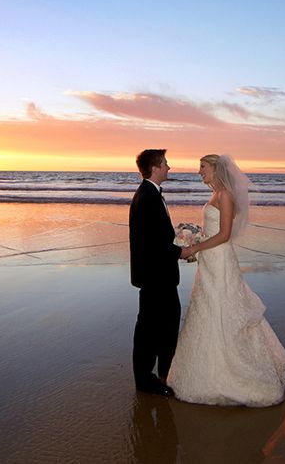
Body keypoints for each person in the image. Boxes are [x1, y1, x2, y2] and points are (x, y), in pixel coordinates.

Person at [166, 154, 285, 406]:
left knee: (221, 306)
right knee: (208, 307)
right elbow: (213, 230)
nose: (199, 171)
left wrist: (194, 247)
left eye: (203, 167)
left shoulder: (225, 195)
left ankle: (233, 372)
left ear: (216, 168)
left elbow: (224, 235)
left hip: (220, 260)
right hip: (210, 259)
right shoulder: (217, 194)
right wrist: (195, 237)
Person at [129, 149, 183, 396]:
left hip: (157, 275)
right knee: (152, 329)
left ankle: (162, 374)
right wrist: (182, 251)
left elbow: (157, 235)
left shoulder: (150, 193)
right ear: (155, 168)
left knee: (163, 325)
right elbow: (155, 244)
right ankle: (147, 380)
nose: (169, 167)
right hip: (156, 276)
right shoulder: (148, 197)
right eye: (165, 163)